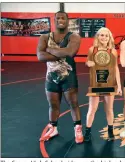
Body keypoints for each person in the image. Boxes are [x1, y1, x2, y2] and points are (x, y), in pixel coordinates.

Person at [37, 11, 83, 144]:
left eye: (63, 18)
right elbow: (40, 56)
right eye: (58, 18)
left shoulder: (74, 37)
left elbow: (70, 52)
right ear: (54, 20)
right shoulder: (45, 37)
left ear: (68, 20)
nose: (60, 20)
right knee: (53, 105)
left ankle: (77, 128)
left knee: (73, 104)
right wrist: (61, 53)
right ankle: (53, 128)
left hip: (68, 76)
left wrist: (49, 50)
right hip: (51, 77)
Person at [84, 27, 122, 142]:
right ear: (98, 37)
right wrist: (87, 63)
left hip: (109, 83)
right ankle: (88, 132)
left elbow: (116, 68)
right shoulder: (92, 50)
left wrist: (119, 86)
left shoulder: (113, 51)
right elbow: (87, 62)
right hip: (96, 83)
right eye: (101, 35)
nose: (104, 37)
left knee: (109, 109)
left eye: (106, 35)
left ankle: (110, 131)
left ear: (109, 37)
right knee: (92, 108)